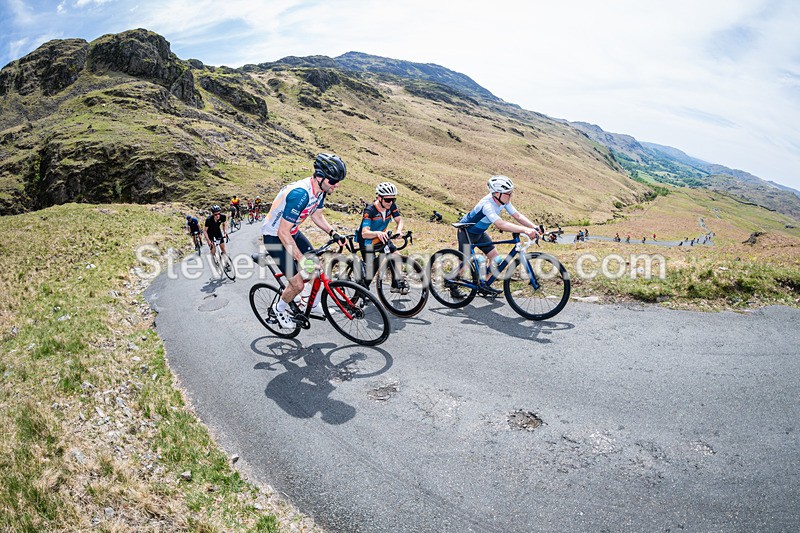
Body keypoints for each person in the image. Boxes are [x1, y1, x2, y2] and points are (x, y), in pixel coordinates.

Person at [262, 153, 347, 328]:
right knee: (298, 284)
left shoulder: (321, 191)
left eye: (338, 181)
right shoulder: (300, 194)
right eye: (333, 181)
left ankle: (312, 304)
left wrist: (333, 233)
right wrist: (301, 259)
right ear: (320, 176)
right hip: (274, 237)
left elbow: (317, 215)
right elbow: (282, 233)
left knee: (316, 267)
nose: (337, 185)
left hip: (292, 232)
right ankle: (279, 309)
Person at [456, 175, 541, 296]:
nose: (511, 195)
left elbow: (517, 216)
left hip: (479, 233)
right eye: (508, 193)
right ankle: (452, 285)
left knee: (495, 258)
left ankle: (484, 284)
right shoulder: (487, 205)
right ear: (496, 193)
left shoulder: (503, 201)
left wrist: (534, 227)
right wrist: (525, 230)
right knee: (463, 264)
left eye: (511, 192)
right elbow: (500, 224)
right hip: (466, 232)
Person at [356, 181, 405, 281]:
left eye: (393, 199)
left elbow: (399, 220)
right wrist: (377, 233)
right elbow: (365, 233)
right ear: (379, 197)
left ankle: (396, 284)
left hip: (382, 238)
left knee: (397, 257)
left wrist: (399, 231)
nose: (390, 202)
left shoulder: (391, 206)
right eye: (388, 199)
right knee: (370, 274)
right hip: (367, 241)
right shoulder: (370, 210)